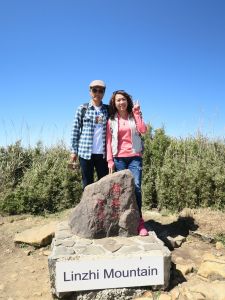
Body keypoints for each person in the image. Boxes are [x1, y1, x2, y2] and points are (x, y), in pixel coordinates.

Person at [106, 90, 148, 236]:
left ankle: (139, 222)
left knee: (136, 188)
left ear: (127, 101)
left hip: (134, 157)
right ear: (114, 103)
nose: (121, 102)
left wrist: (137, 114)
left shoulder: (134, 115)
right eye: (118, 100)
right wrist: (110, 160)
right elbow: (109, 141)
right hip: (119, 159)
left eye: (123, 99)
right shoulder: (111, 120)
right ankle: (121, 222)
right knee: (120, 191)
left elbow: (143, 130)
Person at [70, 80, 109, 189]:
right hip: (85, 153)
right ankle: (87, 206)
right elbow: (75, 130)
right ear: (90, 91)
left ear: (104, 93)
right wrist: (73, 151)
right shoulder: (82, 109)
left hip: (103, 154)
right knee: (87, 185)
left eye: (101, 91)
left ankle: (102, 206)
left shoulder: (108, 110)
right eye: (95, 90)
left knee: (104, 184)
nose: (97, 93)